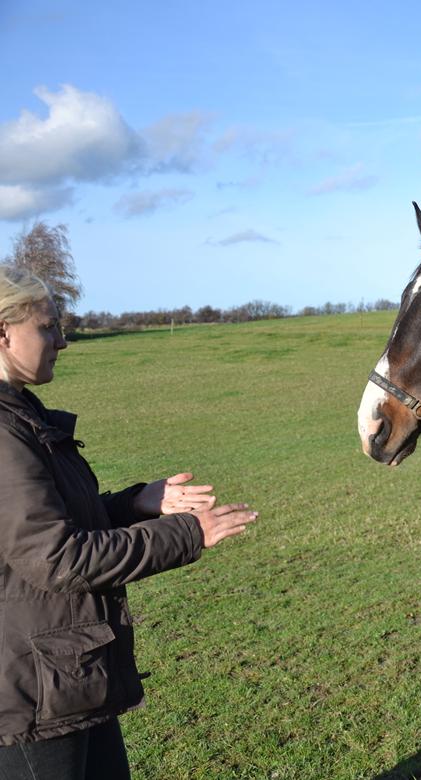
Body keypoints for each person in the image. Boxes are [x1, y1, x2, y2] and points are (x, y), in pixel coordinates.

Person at [0, 266, 257, 778]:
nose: (62, 341)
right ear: (3, 332)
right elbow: (58, 557)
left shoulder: (20, 413)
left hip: (66, 676)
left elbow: (57, 524)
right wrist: (191, 533)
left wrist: (139, 503)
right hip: (30, 698)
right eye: (48, 326)